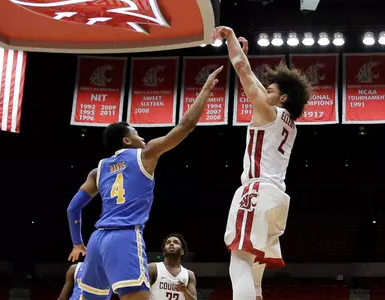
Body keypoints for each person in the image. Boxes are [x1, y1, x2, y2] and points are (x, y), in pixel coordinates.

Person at [65, 66, 224, 300]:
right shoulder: (145, 154)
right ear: (126, 140)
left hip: (97, 240)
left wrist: (78, 243)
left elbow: (73, 208)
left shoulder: (97, 170)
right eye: (137, 132)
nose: (142, 137)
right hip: (124, 235)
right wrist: (206, 89)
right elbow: (186, 125)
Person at [212, 27, 311, 300]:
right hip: (277, 198)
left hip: (257, 191)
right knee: (255, 276)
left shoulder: (269, 112)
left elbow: (243, 73)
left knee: (239, 261)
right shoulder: (289, 124)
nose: (262, 92)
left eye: (270, 90)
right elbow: (253, 81)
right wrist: (245, 57)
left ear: (282, 98)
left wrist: (230, 38)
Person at [149, 234, 197, 300]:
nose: (171, 244)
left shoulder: (189, 274)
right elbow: (141, 293)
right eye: (168, 243)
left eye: (176, 242)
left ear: (182, 251)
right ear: (163, 252)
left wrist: (185, 291)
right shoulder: (153, 268)